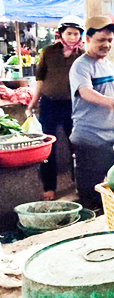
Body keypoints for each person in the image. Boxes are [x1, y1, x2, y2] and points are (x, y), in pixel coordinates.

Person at [69, 16, 114, 208]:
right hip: (90, 138)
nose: (106, 45)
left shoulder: (106, 63)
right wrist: (111, 102)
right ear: (87, 39)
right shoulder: (81, 65)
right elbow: (85, 91)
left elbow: (109, 92)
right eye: (100, 40)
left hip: (113, 136)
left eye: (109, 40)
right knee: (91, 193)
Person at [26, 15, 85, 201]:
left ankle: (80, 184)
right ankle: (49, 187)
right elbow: (40, 77)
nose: (72, 37)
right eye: (69, 33)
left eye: (76, 34)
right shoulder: (48, 52)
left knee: (76, 145)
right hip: (49, 104)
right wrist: (34, 100)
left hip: (73, 105)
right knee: (48, 147)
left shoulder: (83, 55)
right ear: (60, 34)